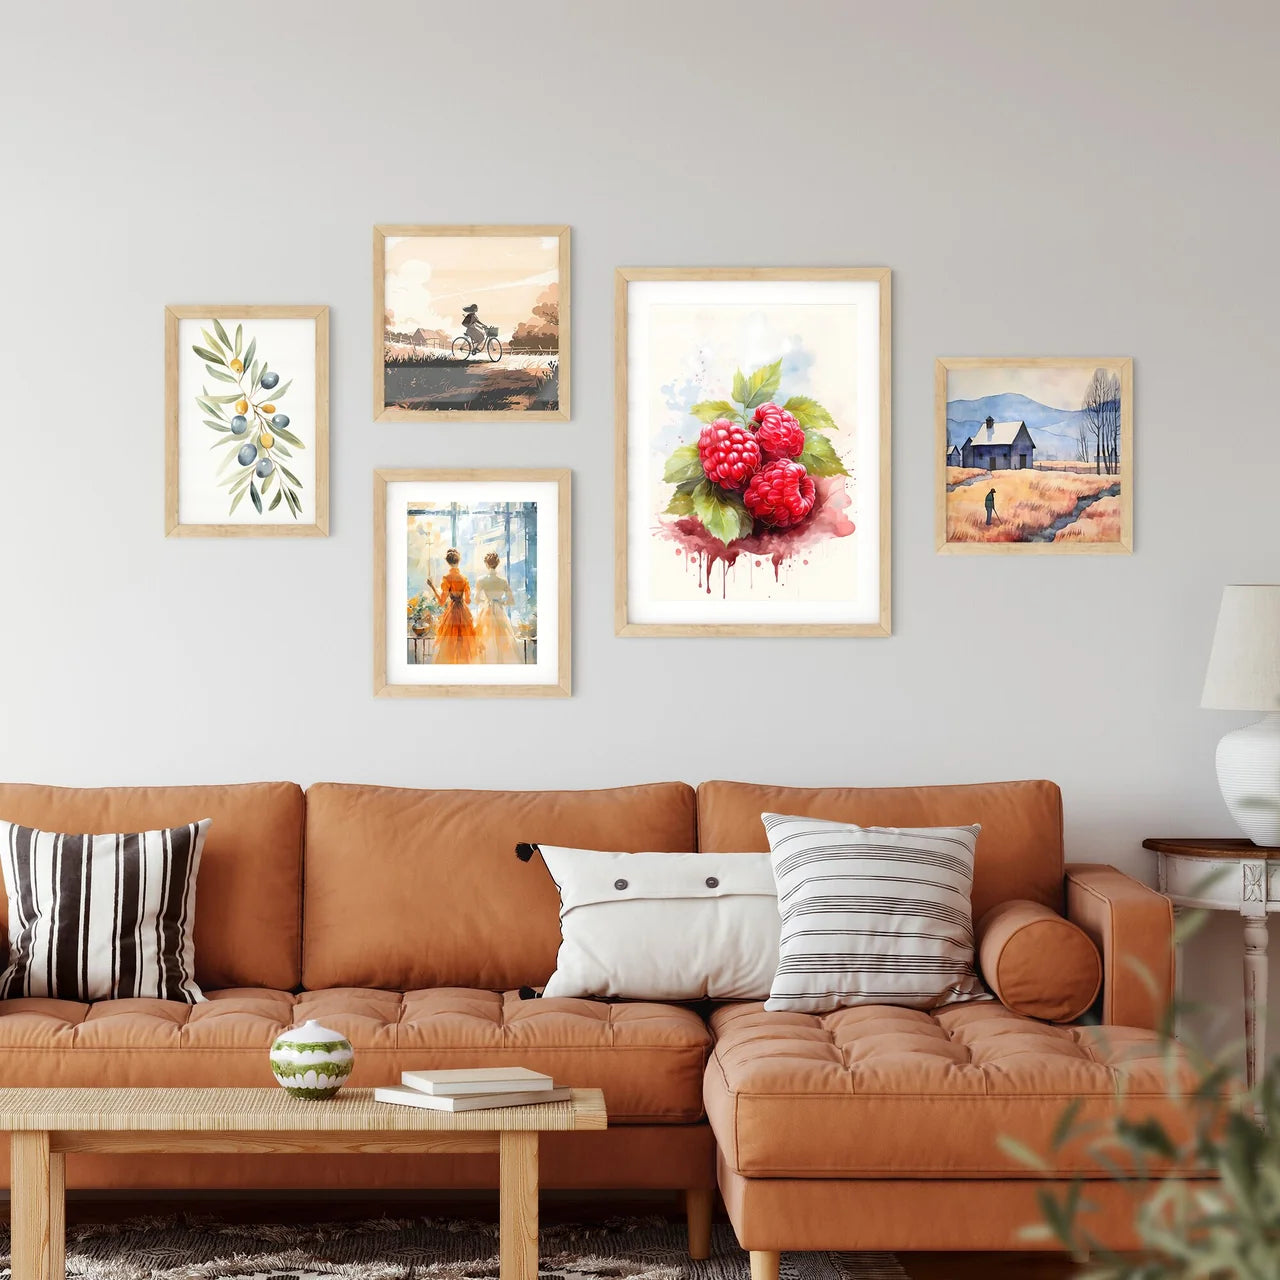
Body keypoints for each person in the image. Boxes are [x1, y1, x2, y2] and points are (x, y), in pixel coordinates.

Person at [426, 549, 477, 664]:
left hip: (452, 613)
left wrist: (432, 587)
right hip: (463, 612)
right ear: (458, 561)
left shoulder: (446, 578)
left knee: (449, 645)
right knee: (464, 645)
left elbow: (441, 602)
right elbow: (468, 601)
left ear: (448, 562)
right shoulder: (464, 578)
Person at [473, 552, 522, 664]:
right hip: (499, 611)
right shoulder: (503, 581)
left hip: (486, 611)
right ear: (497, 564)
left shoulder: (481, 580)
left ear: (486, 564)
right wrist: (501, 602)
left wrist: (486, 601)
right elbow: (511, 601)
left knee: (486, 639)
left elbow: (476, 600)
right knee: (501, 639)